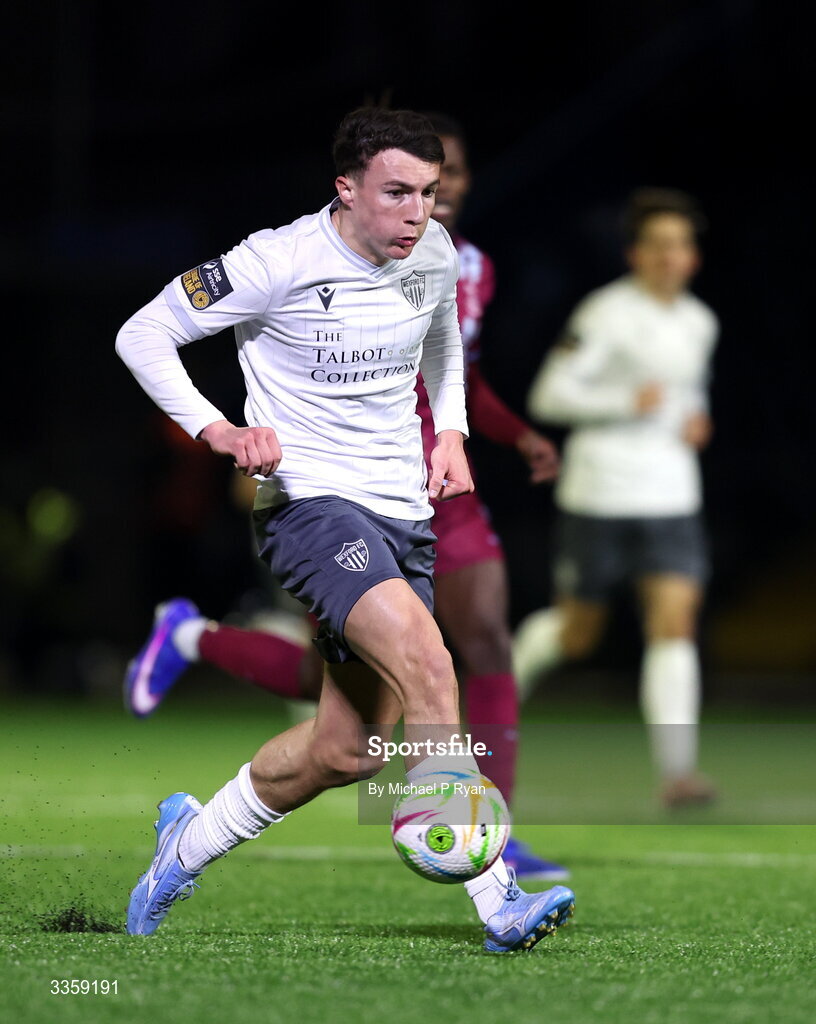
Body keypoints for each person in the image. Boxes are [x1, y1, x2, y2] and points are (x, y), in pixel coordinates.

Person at [116, 107, 575, 952]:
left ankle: (186, 841)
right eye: (398, 192)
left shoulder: (431, 251)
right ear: (347, 189)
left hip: (403, 511)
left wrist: (451, 431)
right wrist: (216, 430)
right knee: (433, 663)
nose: (418, 212)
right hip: (311, 508)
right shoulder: (274, 260)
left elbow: (442, 337)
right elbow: (141, 334)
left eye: (430, 193)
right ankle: (497, 894)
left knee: (347, 750)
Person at [513, 187, 719, 808]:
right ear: (634, 253)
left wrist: (696, 419)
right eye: (656, 244)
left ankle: (678, 772)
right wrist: (626, 404)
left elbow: (690, 392)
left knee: (674, 625)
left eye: (679, 245)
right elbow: (547, 396)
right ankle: (498, 696)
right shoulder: (603, 314)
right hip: (599, 493)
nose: (668, 256)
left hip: (673, 494)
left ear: (693, 258)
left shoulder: (699, 322)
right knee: (578, 635)